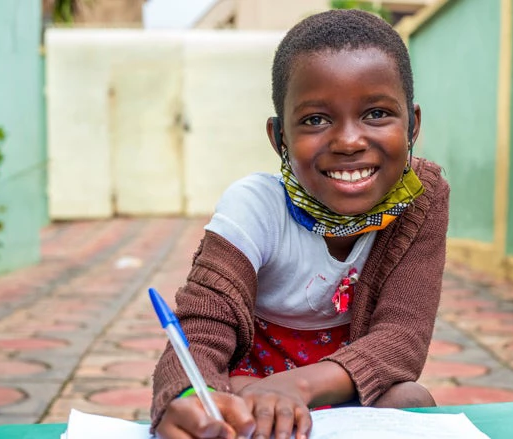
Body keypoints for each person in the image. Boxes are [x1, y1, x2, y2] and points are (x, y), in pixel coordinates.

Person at [151, 8, 450, 439]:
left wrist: (299, 385)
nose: (349, 141)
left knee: (411, 399)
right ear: (280, 139)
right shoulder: (255, 206)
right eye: (315, 120)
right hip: (253, 391)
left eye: (377, 114)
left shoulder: (421, 199)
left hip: (348, 389)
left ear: (412, 126)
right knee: (219, 400)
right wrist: (185, 399)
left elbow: (401, 339)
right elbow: (202, 328)